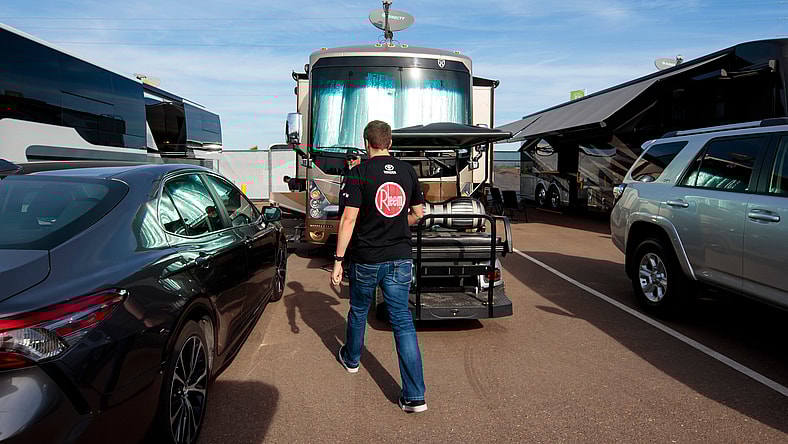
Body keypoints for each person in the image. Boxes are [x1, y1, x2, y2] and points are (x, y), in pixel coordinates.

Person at [331, 120, 428, 413]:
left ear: (366, 142)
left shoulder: (358, 173)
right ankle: (414, 396)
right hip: (400, 257)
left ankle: (351, 359)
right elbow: (418, 214)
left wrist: (337, 260)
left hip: (367, 258)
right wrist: (399, 224)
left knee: (359, 310)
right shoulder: (408, 171)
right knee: (401, 320)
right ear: (389, 142)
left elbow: (348, 220)